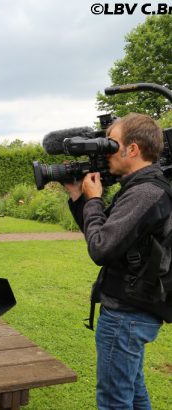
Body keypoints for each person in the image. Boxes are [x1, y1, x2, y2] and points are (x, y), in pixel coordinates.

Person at [65, 113, 171, 410]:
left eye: (112, 144)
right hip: (135, 311)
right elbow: (102, 233)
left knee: (114, 401)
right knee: (134, 393)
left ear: (133, 149)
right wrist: (79, 198)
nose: (105, 153)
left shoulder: (145, 193)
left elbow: (101, 249)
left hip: (127, 315)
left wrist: (95, 199)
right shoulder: (142, 187)